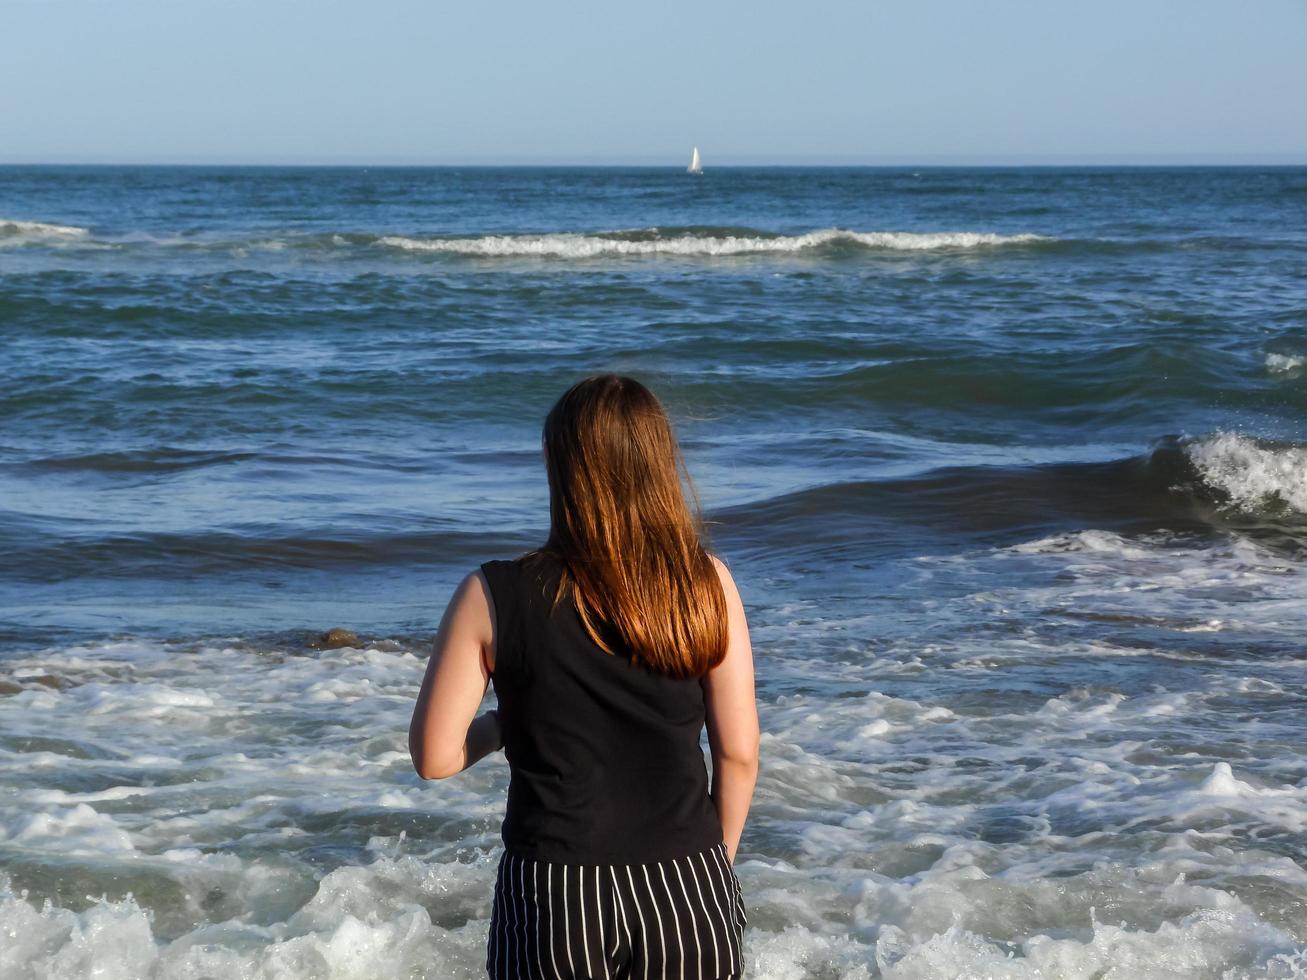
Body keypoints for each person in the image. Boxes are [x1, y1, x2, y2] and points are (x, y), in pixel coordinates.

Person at [409, 373, 760, 980]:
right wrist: (713, 864)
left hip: (557, 888)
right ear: (659, 463)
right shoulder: (707, 584)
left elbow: (436, 757)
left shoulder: (493, 593)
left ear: (559, 466)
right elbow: (739, 754)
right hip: (687, 879)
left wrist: (501, 725)